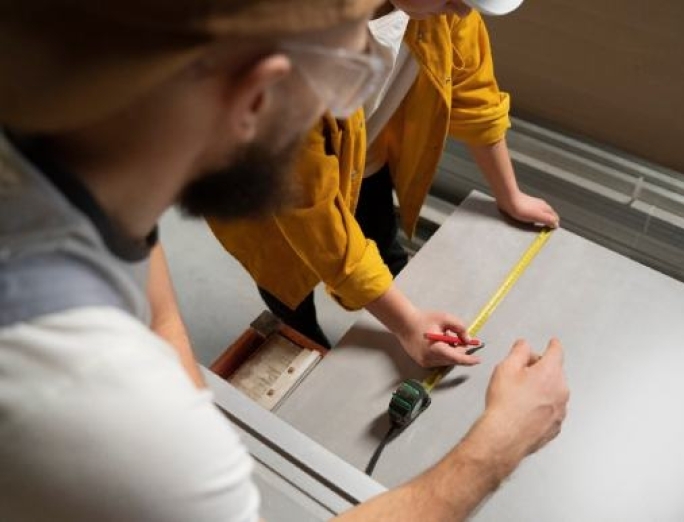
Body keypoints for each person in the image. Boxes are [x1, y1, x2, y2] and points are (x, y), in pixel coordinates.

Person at [0, 1, 569, 521]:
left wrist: (191, 408)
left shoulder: (74, 157)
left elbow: (152, 288)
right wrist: (496, 447)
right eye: (348, 77)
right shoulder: (99, 405)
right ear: (257, 98)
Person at [207, 0, 560, 370]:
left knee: (381, 239)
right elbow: (309, 214)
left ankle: (395, 309)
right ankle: (304, 339)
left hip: (362, 159)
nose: (460, 12)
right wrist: (407, 325)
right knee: (287, 280)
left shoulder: (436, 11)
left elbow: (476, 95)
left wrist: (510, 195)